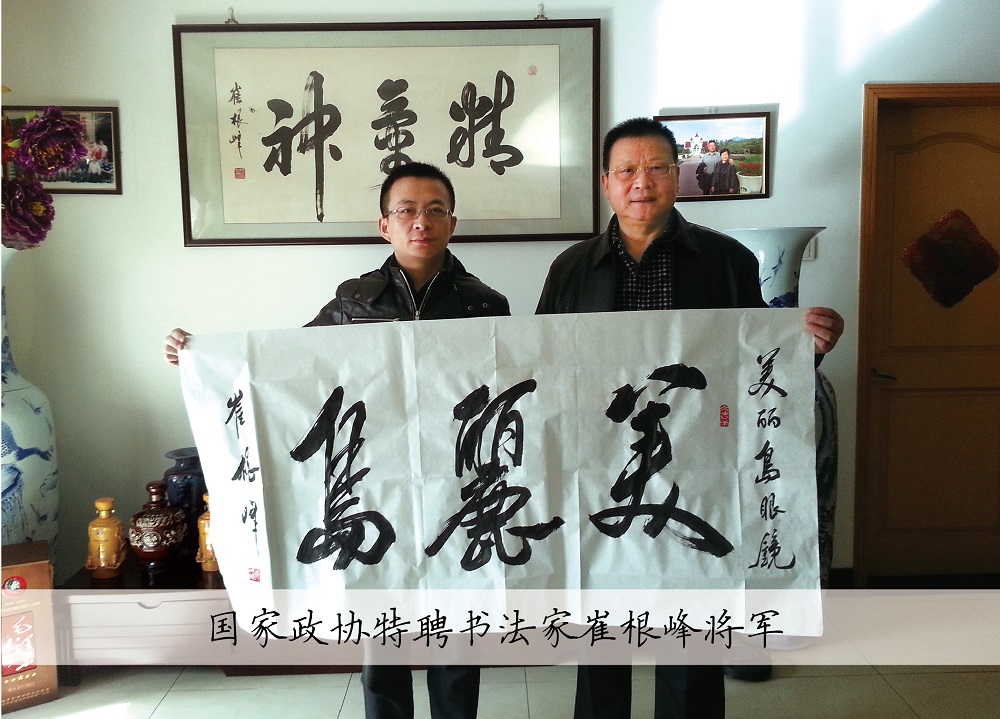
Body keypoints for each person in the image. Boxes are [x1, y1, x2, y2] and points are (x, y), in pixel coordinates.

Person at [166, 161, 509, 719]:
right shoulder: (354, 301)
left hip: (455, 480)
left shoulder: (486, 303)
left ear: (453, 221)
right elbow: (290, 367)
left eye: (435, 210)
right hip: (375, 481)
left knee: (455, 622)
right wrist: (202, 357)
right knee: (383, 622)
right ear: (384, 224)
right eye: (406, 210)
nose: (421, 222)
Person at [536, 117, 843, 719]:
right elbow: (547, 364)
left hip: (697, 465)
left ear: (676, 176)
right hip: (601, 469)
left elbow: (757, 359)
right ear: (606, 182)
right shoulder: (570, 267)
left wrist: (805, 347)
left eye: (656, 168)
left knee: (693, 620)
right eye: (627, 170)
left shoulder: (726, 260)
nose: (641, 182)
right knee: (603, 623)